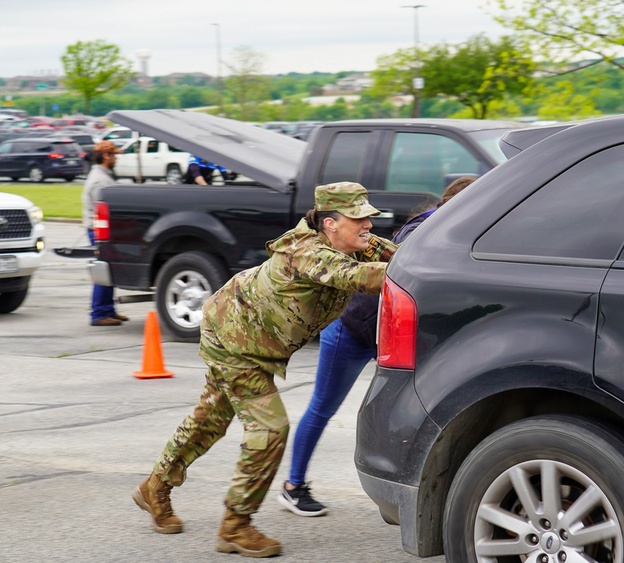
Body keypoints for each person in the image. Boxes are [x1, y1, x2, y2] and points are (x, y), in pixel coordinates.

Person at [132, 182, 396, 558]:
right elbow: (357, 277)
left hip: (255, 341)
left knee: (210, 419)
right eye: (360, 219)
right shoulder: (307, 252)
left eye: (370, 218)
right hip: (233, 338)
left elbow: (399, 255)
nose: (369, 225)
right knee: (270, 428)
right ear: (331, 223)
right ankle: (235, 527)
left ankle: (154, 487)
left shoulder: (352, 241)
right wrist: (413, 273)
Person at [278, 176, 478, 516]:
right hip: (353, 329)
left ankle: (414, 488)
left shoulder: (450, 229)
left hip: (392, 334)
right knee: (323, 406)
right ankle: (293, 486)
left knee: (411, 408)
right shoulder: (423, 232)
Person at [82, 141, 128, 327]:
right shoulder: (100, 181)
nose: (116, 158)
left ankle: (108, 310)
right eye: (114, 155)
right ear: (106, 156)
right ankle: (99, 313)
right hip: (100, 232)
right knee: (103, 269)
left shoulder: (104, 176)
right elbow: (104, 210)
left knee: (108, 270)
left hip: (101, 230)